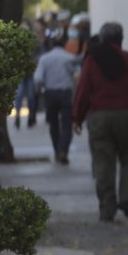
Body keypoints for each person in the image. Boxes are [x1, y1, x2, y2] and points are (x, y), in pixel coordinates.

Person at [71, 22, 128, 222]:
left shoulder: (92, 61)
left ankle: (107, 208)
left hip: (101, 118)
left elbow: (83, 91)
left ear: (102, 39)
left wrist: (77, 117)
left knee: (103, 163)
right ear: (121, 39)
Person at [33, 30, 79, 163]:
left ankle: (57, 149)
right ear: (64, 43)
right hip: (66, 93)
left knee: (53, 124)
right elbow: (76, 74)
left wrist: (40, 88)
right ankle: (64, 150)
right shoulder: (70, 57)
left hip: (50, 93)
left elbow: (38, 78)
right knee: (66, 123)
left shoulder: (45, 58)